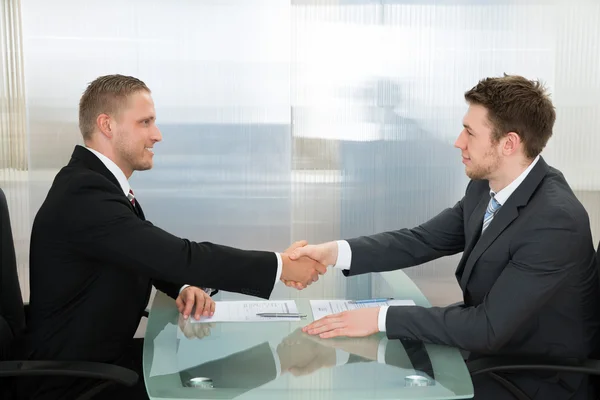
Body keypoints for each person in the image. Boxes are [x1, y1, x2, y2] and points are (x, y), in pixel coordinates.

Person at [287, 75, 600, 399]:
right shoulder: (486, 186)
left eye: (470, 133)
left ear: (508, 143)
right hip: (491, 351)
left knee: (390, 375)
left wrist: (380, 317)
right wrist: (334, 253)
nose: (458, 142)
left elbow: (487, 328)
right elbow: (422, 240)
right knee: (371, 362)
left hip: (533, 378)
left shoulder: (554, 220)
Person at [22, 74, 325, 400]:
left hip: (102, 364)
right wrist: (280, 265)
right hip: (77, 384)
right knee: (209, 386)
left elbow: (141, 254)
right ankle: (282, 362)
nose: (157, 135)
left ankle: (279, 362)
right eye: (145, 122)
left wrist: (181, 285)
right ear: (107, 125)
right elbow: (178, 255)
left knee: (210, 376)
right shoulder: (85, 193)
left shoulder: (94, 184)